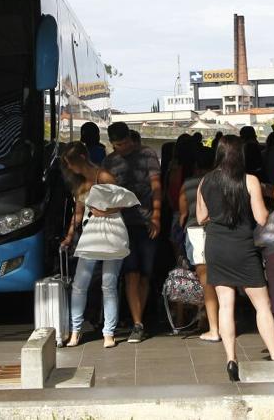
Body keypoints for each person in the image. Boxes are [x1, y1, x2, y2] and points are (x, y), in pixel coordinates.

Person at [196, 135, 274, 381]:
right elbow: (262, 218)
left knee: (225, 304)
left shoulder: (205, 181)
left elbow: (201, 217)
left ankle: (231, 360)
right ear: (240, 155)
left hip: (216, 246)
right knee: (262, 305)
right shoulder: (250, 181)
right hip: (243, 247)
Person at [59, 142, 130, 348]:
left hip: (111, 230)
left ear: (81, 158)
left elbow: (122, 202)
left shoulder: (104, 177)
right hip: (91, 233)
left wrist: (105, 211)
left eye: (70, 163)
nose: (69, 168)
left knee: (108, 284)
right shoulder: (80, 183)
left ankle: (108, 332)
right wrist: (70, 235)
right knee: (81, 284)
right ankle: (76, 330)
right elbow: (78, 213)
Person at [102, 121, 162, 344]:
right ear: (113, 144)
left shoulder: (147, 155)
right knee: (131, 273)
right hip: (122, 224)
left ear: (131, 138)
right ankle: (138, 323)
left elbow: (157, 185)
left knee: (145, 273)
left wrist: (156, 215)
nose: (124, 147)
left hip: (147, 222)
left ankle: (139, 318)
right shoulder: (109, 162)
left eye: (126, 142)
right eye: (119, 144)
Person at [176, 145, 219, 342]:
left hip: (195, 232)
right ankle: (220, 320)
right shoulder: (219, 182)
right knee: (222, 280)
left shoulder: (188, 184)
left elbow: (183, 214)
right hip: (219, 232)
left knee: (205, 281)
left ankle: (211, 324)